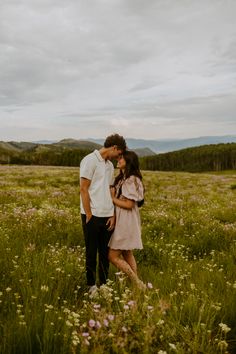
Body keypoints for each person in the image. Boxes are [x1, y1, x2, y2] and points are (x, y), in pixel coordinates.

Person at [80, 133, 127, 296]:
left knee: (105, 253)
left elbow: (110, 190)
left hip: (107, 215)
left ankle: (104, 285)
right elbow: (83, 188)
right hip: (91, 215)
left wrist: (112, 214)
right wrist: (88, 214)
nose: (119, 157)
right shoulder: (89, 160)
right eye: (119, 153)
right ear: (114, 148)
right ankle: (91, 286)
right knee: (91, 251)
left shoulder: (109, 166)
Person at [108, 150, 146, 289]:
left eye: (121, 158)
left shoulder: (131, 179)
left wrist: (112, 198)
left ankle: (137, 283)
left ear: (128, 162)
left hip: (126, 221)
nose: (118, 160)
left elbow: (129, 205)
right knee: (126, 252)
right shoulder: (123, 178)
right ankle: (136, 285)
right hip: (124, 219)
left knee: (112, 256)